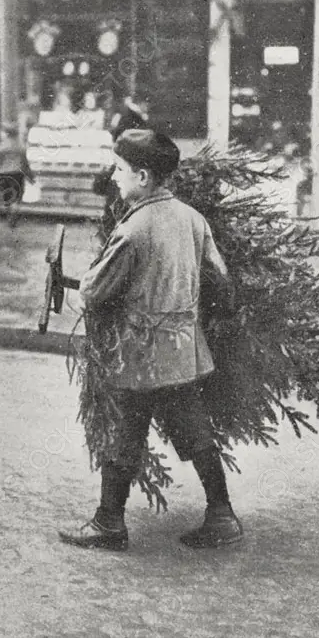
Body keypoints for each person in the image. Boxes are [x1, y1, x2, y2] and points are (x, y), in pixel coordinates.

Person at [59, 128, 242, 552]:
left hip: (143, 352)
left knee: (125, 430)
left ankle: (109, 524)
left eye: (120, 170)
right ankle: (221, 515)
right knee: (195, 430)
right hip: (184, 347)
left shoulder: (134, 228)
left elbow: (94, 291)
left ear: (142, 176)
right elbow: (220, 281)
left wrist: (91, 284)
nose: (114, 177)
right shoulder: (193, 219)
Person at [94, 91, 151, 238]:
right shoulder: (132, 117)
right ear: (142, 102)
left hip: (124, 163)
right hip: (128, 164)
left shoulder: (126, 115)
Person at [0, 122, 35, 227]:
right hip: (17, 174)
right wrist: (30, 176)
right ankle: (12, 216)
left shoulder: (2, 146)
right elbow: (25, 163)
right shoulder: (20, 146)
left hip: (3, 174)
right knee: (16, 198)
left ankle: (10, 215)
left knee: (7, 197)